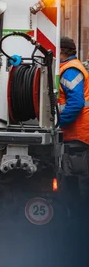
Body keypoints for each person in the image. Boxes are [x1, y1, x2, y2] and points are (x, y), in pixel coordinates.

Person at [58, 36, 89, 259]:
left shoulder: (70, 70)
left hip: (78, 136)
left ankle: (78, 234)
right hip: (78, 134)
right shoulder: (71, 68)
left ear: (61, 52)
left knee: (77, 185)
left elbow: (76, 103)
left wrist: (59, 122)